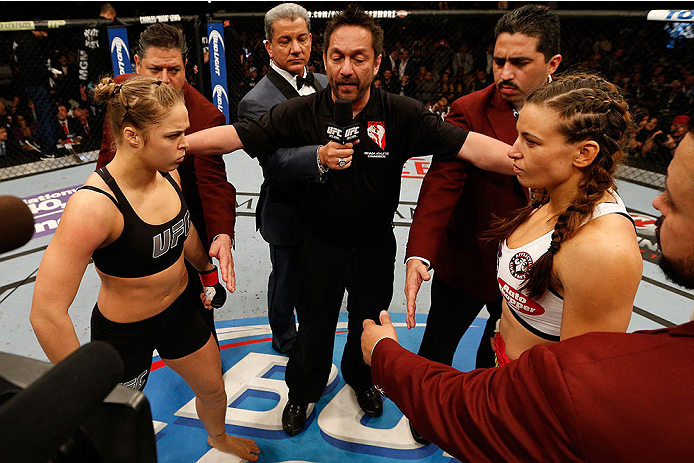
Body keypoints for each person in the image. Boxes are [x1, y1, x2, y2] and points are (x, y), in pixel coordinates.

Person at [185, 4, 515, 437]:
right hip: (317, 246)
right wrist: (176, 146)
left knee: (369, 328)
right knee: (314, 332)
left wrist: (536, 164)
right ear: (324, 59)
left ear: (378, 63)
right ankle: (302, 392)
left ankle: (362, 382)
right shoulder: (301, 113)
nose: (346, 68)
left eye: (358, 58)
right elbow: (234, 137)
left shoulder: (401, 113)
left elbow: (472, 147)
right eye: (337, 57)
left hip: (375, 249)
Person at [361, 100, 694, 463]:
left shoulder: (601, 250)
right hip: (506, 364)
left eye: (531, 142)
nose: (513, 151)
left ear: (584, 153)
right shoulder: (552, 195)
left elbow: (571, 401)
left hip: (529, 411)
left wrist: (386, 356)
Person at [30, 76, 260, 461]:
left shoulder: (168, 172)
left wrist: (205, 270)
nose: (185, 143)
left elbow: (182, 231)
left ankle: (217, 437)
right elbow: (46, 313)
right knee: (112, 423)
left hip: (181, 314)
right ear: (133, 136)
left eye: (185, 131)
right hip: (124, 335)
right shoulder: (93, 207)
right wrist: (81, 384)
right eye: (173, 135)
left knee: (214, 390)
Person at [404, 8, 562, 443]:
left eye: (520, 63)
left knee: (504, 354)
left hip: (539, 272)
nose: (504, 73)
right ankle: (425, 413)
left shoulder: (574, 112)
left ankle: (486, 415)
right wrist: (420, 252)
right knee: (438, 343)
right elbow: (440, 183)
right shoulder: (469, 109)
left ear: (552, 65)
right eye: (498, 61)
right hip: (469, 263)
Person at [96, 22, 236, 347]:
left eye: (173, 69)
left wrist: (221, 234)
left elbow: (213, 182)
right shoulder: (122, 96)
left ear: (186, 66)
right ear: (135, 65)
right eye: (154, 68)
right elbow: (108, 156)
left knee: (198, 314)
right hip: (129, 222)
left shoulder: (203, 116)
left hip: (184, 223)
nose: (164, 79)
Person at [237, 2, 329, 356]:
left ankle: (316, 330)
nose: (296, 48)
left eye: (302, 38)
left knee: (322, 277)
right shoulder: (255, 102)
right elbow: (273, 162)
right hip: (287, 208)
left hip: (329, 206)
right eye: (285, 41)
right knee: (287, 279)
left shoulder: (324, 82)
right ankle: (284, 337)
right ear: (269, 47)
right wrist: (321, 156)